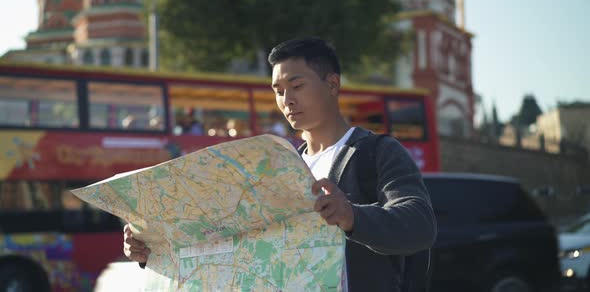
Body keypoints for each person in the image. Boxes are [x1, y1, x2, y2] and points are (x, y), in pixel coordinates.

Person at [123, 38, 436, 291]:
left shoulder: (376, 153)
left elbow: (420, 225)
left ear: (332, 84)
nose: (286, 100)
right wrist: (154, 244)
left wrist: (352, 215)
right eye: (278, 91)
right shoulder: (274, 168)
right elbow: (232, 247)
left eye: (297, 86)